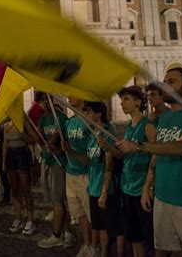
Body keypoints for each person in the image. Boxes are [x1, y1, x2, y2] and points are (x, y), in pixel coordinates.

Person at [117, 67, 182, 257]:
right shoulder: (164, 117)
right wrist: (146, 187)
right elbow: (157, 156)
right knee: (166, 247)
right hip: (162, 196)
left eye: (171, 82)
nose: (165, 86)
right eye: (165, 81)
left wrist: (139, 146)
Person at [117, 86, 156, 257]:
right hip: (127, 187)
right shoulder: (129, 127)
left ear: (138, 102)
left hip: (141, 189)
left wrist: (147, 187)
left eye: (126, 99)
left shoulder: (147, 126)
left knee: (149, 236)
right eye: (121, 99)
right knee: (134, 235)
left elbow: (157, 154)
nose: (122, 103)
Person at [84, 101, 124, 257]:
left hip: (106, 188)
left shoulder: (106, 133)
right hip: (94, 187)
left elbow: (109, 165)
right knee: (101, 226)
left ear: (98, 113)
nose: (86, 115)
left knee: (115, 227)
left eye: (88, 112)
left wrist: (104, 192)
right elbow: (90, 160)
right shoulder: (92, 134)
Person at [35, 95, 75, 249]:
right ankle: (68, 233)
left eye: (47, 99)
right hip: (48, 161)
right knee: (56, 201)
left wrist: (56, 141)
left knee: (58, 201)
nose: (45, 103)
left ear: (52, 100)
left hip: (59, 162)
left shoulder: (61, 117)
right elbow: (39, 140)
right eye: (41, 100)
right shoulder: (43, 119)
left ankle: (56, 234)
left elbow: (68, 142)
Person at [60, 97, 95, 256]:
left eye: (72, 94)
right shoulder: (69, 122)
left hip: (85, 174)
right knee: (79, 214)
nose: (68, 97)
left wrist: (71, 151)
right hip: (70, 173)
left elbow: (91, 156)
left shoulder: (88, 122)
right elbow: (68, 148)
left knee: (90, 215)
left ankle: (94, 246)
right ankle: (85, 244)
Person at [3, 117, 38, 236]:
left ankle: (30, 220)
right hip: (11, 155)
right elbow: (5, 143)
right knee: (15, 189)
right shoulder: (6, 124)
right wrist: (4, 162)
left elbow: (33, 141)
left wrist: (22, 132)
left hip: (22, 154)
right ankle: (18, 218)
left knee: (26, 189)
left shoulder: (24, 121)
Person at [0, 119, 11, 206]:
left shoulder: (12, 120)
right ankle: (7, 195)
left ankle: (10, 196)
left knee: (10, 174)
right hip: (0, 149)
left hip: (9, 149)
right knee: (2, 173)